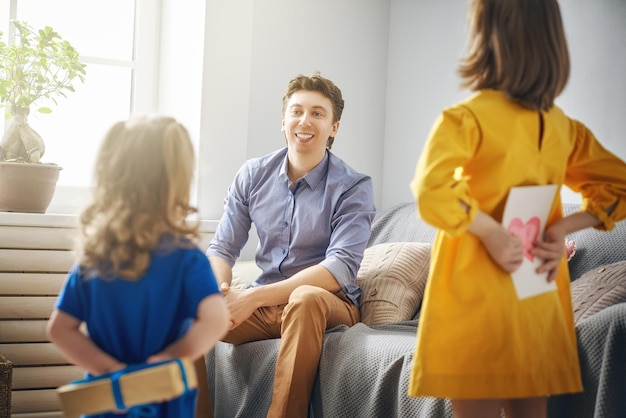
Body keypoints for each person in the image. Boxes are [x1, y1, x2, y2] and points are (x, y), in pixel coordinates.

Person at [407, 0, 626, 417]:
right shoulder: (563, 128)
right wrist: (563, 229)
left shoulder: (465, 119)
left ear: (487, 40)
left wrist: (488, 231)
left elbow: (430, 189)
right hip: (536, 301)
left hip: (475, 304)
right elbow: (620, 184)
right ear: (551, 43)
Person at [204, 72, 376, 417]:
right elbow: (223, 248)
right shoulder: (252, 175)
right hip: (266, 302)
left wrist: (251, 297)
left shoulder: (353, 186)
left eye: (317, 113)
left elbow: (339, 266)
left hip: (326, 303)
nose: (305, 121)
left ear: (334, 128)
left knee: (304, 297)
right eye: (297, 111)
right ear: (283, 121)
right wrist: (217, 292)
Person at [46, 116, 230, 418]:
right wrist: (169, 357)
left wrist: (111, 370)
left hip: (108, 397)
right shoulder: (186, 260)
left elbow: (60, 329)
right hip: (164, 395)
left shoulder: (93, 258)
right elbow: (216, 320)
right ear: (175, 183)